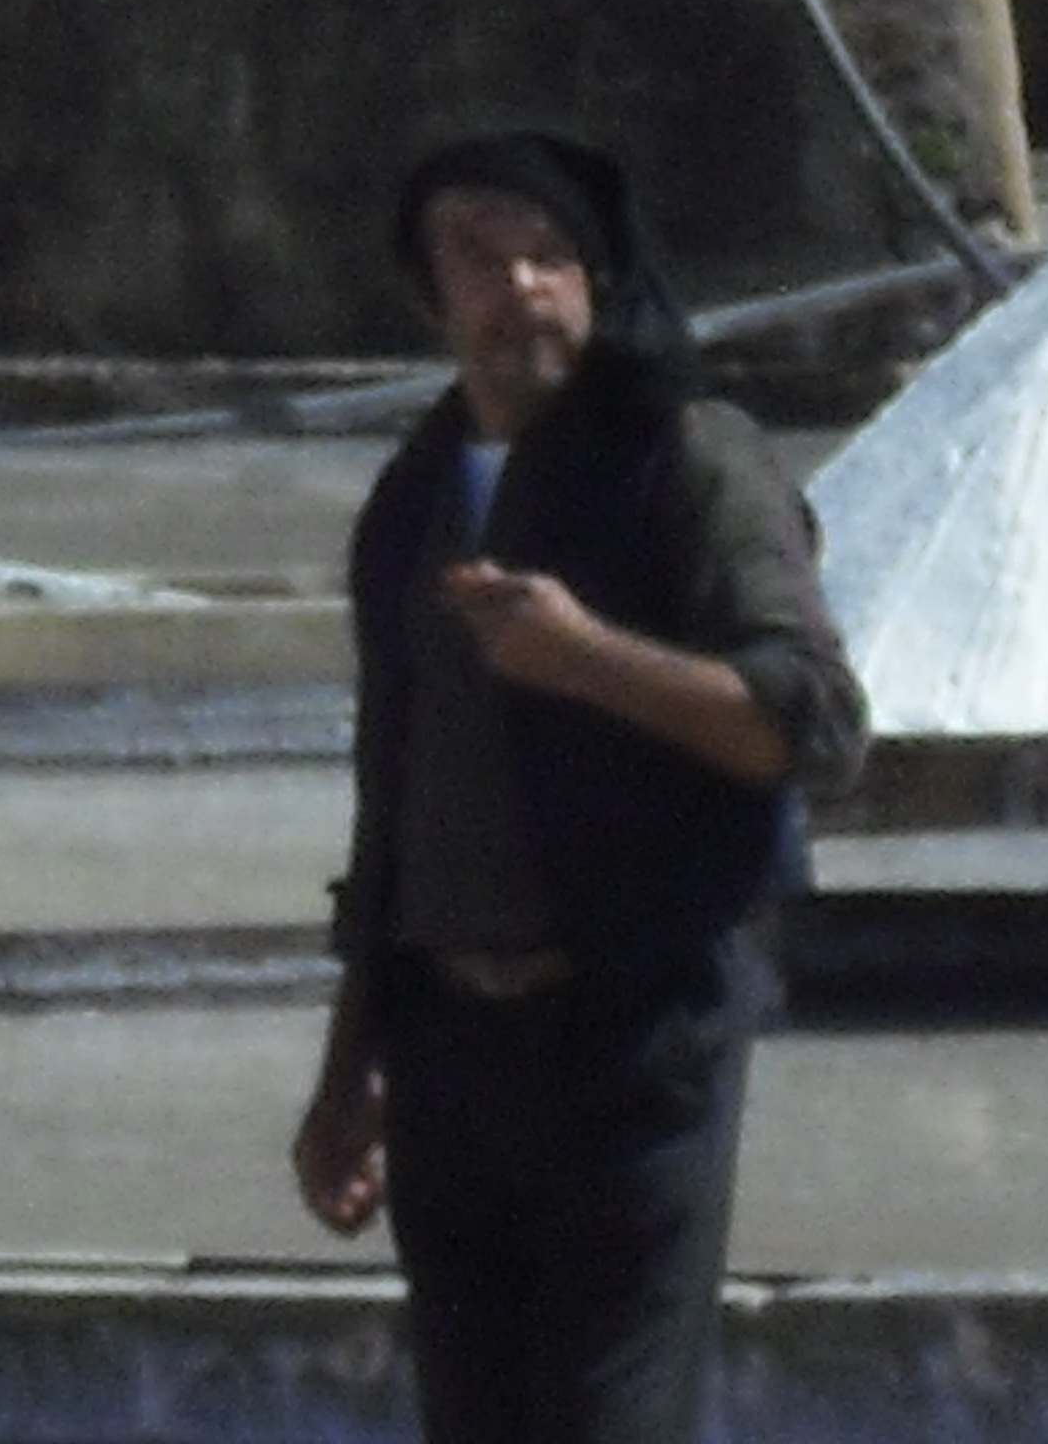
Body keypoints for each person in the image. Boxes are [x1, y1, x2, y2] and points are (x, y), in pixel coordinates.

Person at [290, 129, 868, 1444]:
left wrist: (587, 658)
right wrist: (349, 1069)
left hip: (635, 1041)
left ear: (597, 280)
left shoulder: (689, 458)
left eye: (550, 256)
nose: (522, 288)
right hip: (449, 1056)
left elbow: (816, 725)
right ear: (431, 296)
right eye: (480, 259)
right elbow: (391, 803)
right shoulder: (413, 500)